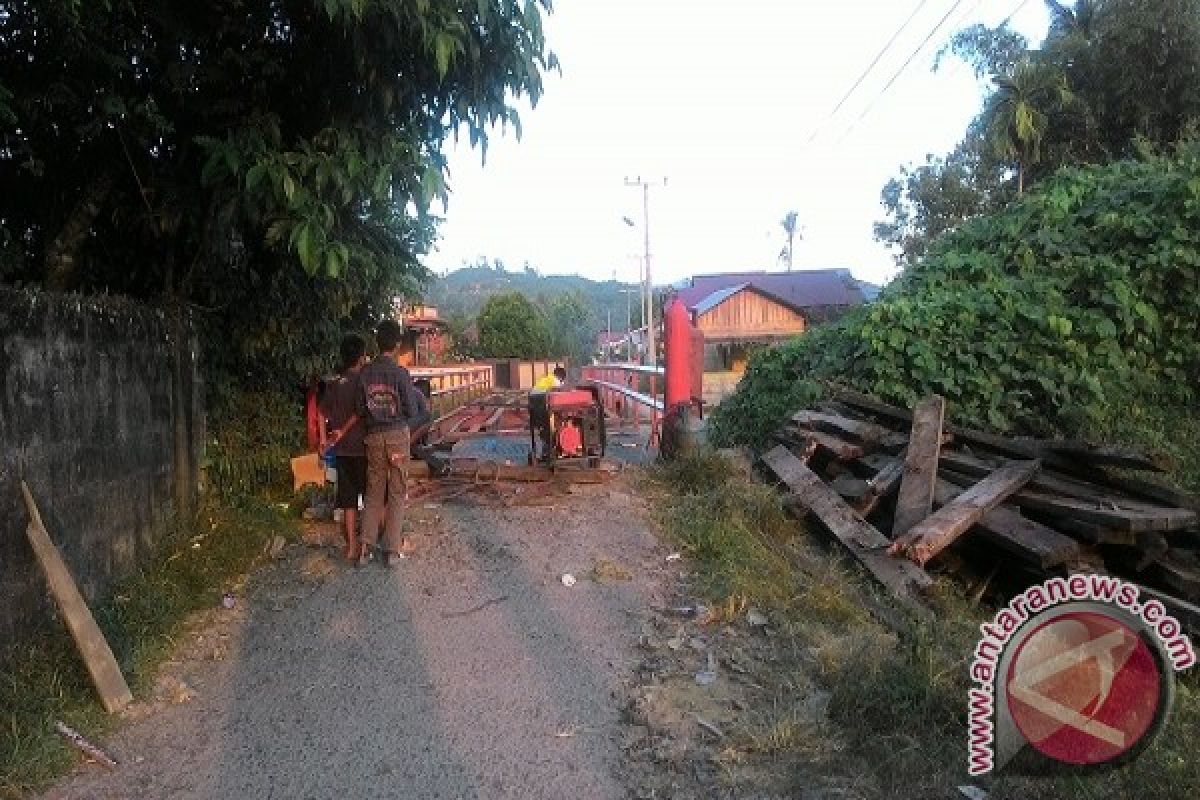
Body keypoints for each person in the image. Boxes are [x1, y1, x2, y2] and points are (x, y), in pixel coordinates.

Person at [353, 319, 421, 567]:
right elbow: (412, 410)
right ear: (397, 345)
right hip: (396, 438)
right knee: (396, 492)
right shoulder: (401, 374)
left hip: (373, 438)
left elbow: (360, 408)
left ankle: (365, 549)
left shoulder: (365, 373)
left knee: (373, 493)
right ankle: (392, 550)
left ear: (377, 343)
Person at [319, 334, 369, 562]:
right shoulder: (363, 381)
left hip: (341, 451)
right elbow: (360, 412)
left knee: (349, 501)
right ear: (360, 357)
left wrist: (323, 440)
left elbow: (322, 413)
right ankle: (366, 546)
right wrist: (343, 431)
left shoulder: (335, 383)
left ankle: (351, 547)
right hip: (362, 448)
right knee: (370, 498)